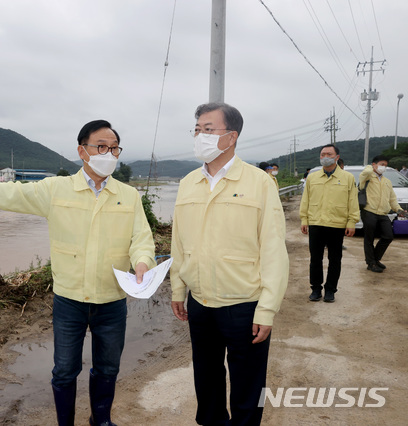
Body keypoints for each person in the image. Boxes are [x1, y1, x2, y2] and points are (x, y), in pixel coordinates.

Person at [0, 120, 155, 426]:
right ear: (82, 151)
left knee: (109, 367)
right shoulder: (56, 190)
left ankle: (100, 420)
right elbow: (8, 194)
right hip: (69, 300)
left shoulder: (129, 195)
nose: (108, 154)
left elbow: (141, 239)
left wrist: (142, 263)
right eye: (101, 147)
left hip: (111, 299)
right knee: (63, 370)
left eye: (114, 148)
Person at [170, 102, 289, 425]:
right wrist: (178, 290)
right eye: (197, 129)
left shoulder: (259, 183)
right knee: (206, 379)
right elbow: (179, 244)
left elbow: (274, 250)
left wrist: (267, 309)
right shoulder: (188, 184)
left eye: (207, 129)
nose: (199, 135)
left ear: (231, 136)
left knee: (248, 384)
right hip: (200, 302)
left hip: (244, 304)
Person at [299, 144, 359, 303]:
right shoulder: (312, 177)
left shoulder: (347, 178)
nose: (325, 157)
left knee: (335, 259)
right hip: (316, 223)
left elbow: (353, 201)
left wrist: (351, 221)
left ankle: (330, 289)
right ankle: (316, 289)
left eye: (329, 154)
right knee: (315, 259)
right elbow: (305, 200)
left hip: (337, 224)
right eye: (322, 154)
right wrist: (304, 219)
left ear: (337, 157)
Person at [359, 155, 406, 273]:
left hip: (383, 213)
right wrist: (371, 166)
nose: (383, 167)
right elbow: (365, 172)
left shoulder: (387, 182)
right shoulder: (366, 178)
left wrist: (399, 210)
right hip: (369, 211)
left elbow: (392, 199)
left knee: (388, 236)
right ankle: (371, 263)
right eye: (381, 164)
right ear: (373, 165)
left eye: (385, 165)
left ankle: (375, 259)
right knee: (369, 238)